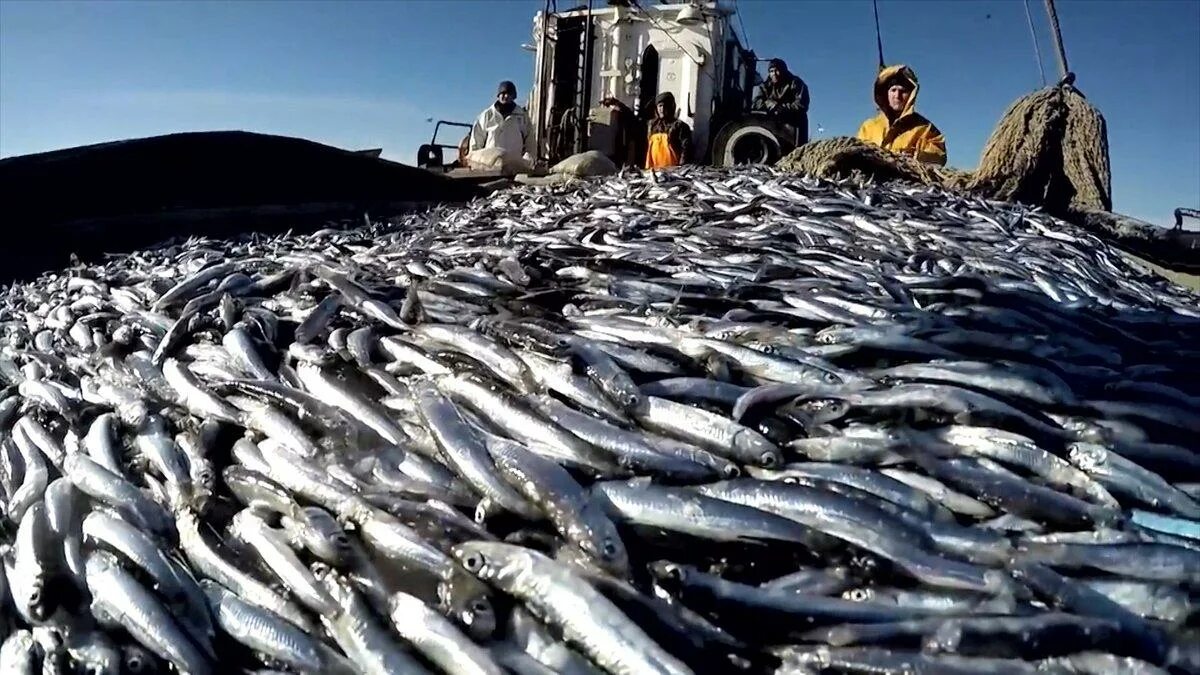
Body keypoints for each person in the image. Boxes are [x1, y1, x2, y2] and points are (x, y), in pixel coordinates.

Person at [856, 64, 946, 165]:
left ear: (911, 95)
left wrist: (910, 157)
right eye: (893, 90)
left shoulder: (926, 130)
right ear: (886, 94)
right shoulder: (868, 127)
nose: (897, 96)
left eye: (902, 91)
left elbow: (937, 159)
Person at [468, 80, 535, 163]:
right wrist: (475, 161)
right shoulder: (487, 116)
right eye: (503, 93)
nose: (505, 96)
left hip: (515, 165)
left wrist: (528, 161)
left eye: (509, 94)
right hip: (490, 165)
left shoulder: (522, 116)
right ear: (498, 95)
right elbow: (476, 142)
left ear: (513, 96)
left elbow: (530, 142)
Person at [753, 58, 810, 143]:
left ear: (783, 71)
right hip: (773, 126)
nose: (774, 74)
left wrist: (781, 108)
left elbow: (801, 105)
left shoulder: (796, 83)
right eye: (771, 71)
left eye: (777, 70)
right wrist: (769, 104)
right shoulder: (766, 86)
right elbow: (756, 103)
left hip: (794, 125)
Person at [645, 92, 691, 169]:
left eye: (665, 106)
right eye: (660, 106)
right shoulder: (651, 125)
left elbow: (686, 149)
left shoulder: (679, 126)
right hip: (653, 169)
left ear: (671, 107)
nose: (662, 109)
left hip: (672, 171)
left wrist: (681, 168)